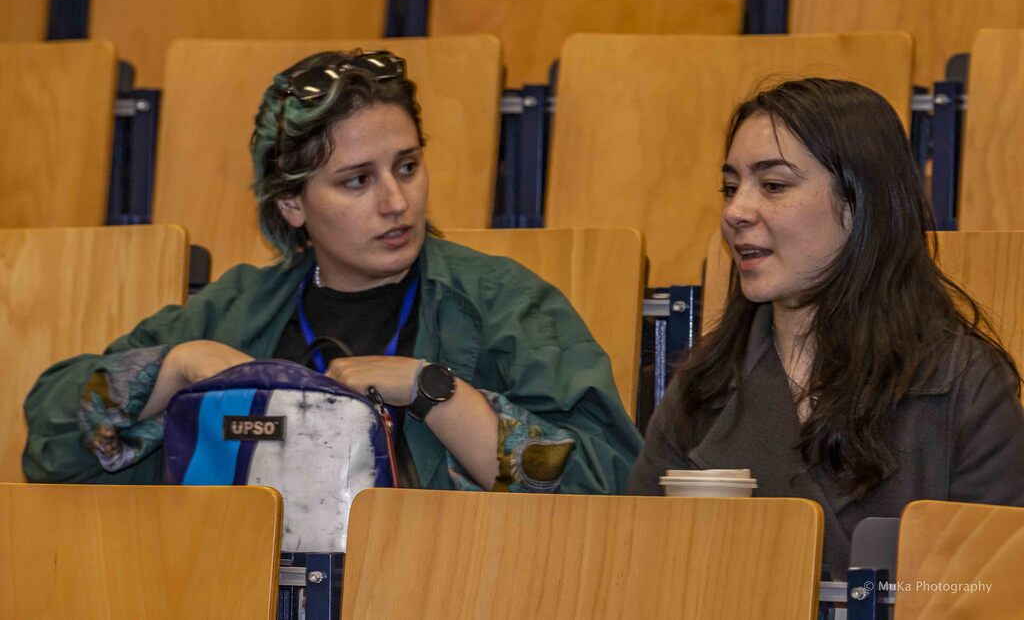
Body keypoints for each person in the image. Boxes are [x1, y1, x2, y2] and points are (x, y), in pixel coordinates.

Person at [24, 49, 641, 494]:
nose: (396, 202)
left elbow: (611, 485)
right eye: (357, 181)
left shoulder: (504, 302)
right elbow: (51, 442)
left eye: (407, 167)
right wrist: (179, 365)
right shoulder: (237, 307)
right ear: (292, 205)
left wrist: (435, 392)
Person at [628, 77, 1024, 576]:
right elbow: (636, 576)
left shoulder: (963, 385)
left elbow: (992, 593)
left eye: (773, 185)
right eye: (730, 188)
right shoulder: (703, 385)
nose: (735, 211)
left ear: (861, 204)